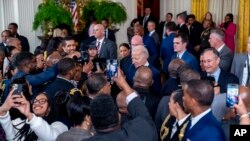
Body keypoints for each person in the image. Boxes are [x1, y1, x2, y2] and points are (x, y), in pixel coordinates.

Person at [83, 68, 158, 141]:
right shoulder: (140, 134)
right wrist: (124, 85)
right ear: (119, 116)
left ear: (91, 121)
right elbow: (145, 118)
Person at [0, 91, 68, 141]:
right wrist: (2, 111)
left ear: (50, 108)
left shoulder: (59, 126)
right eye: (35, 101)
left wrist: (30, 115)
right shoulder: (21, 123)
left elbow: (53, 138)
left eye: (42, 101)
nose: (37, 103)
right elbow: (12, 139)